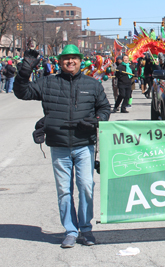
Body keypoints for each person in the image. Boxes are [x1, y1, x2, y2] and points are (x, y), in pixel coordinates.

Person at [13, 45, 111, 248]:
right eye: (66, 59)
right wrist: (25, 70)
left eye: (74, 58)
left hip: (84, 145)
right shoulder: (48, 83)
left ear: (80, 61)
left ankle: (86, 229)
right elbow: (22, 92)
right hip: (59, 145)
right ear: (59, 62)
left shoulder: (92, 84)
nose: (70, 62)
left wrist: (97, 119)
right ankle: (70, 230)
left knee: (86, 187)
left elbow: (104, 107)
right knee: (64, 190)